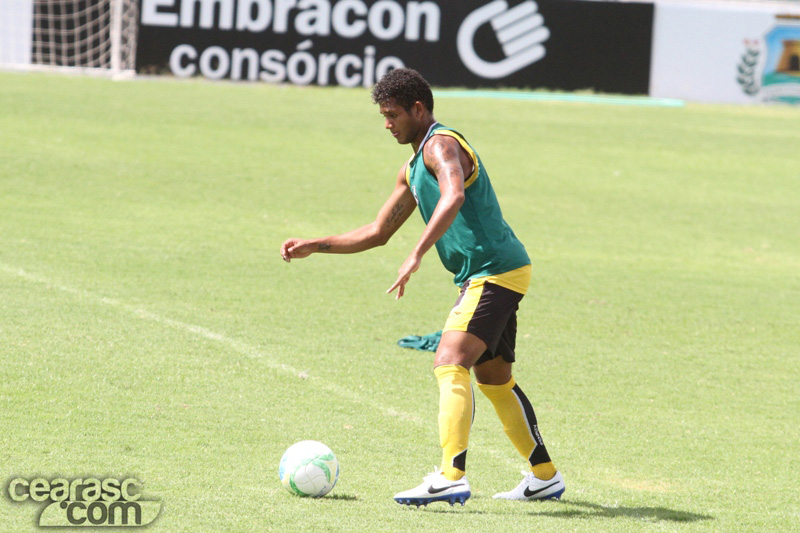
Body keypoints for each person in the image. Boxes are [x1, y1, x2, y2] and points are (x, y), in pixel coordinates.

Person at [280, 68, 564, 507]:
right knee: (494, 379)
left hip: (494, 271)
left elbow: (454, 196)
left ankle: (451, 475)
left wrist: (416, 253)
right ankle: (544, 476)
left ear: (418, 109)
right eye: (382, 116)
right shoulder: (413, 168)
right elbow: (377, 231)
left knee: (449, 359)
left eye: (392, 114)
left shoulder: (441, 144)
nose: (387, 124)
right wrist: (314, 245)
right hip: (495, 272)